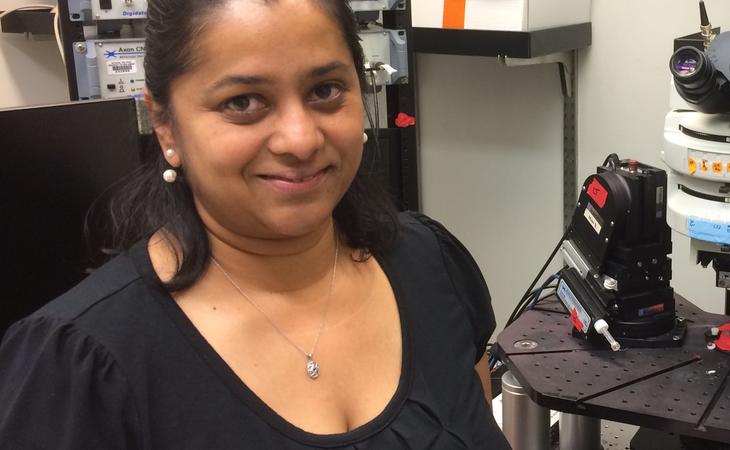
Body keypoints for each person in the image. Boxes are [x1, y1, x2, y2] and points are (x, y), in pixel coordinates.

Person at [0, 0, 510, 448]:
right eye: (242, 102)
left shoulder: (430, 265)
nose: (300, 139)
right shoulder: (80, 367)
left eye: (325, 90)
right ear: (166, 126)